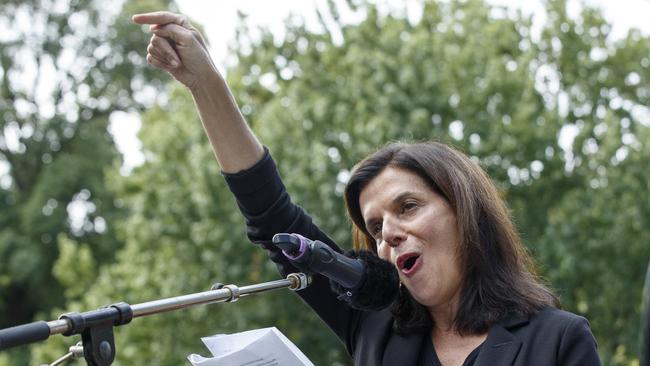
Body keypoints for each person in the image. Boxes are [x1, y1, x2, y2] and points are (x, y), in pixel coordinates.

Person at [132, 11, 601, 366]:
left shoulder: (557, 340)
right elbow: (270, 215)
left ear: (464, 212)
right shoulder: (376, 326)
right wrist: (202, 82)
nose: (388, 234)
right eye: (375, 227)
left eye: (408, 207)